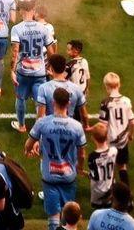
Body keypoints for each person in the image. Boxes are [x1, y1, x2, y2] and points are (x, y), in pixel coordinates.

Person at [25, 88, 87, 230]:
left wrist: (29, 150)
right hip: (69, 176)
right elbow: (82, 154)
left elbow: (29, 144)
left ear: (53, 102)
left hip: (50, 176)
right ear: (69, 103)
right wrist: (80, 167)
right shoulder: (77, 127)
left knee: (53, 218)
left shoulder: (42, 123)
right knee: (69, 217)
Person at [9, 3, 57, 133]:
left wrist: (12, 71)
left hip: (23, 72)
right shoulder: (43, 28)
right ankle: (40, 131)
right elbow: (52, 51)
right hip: (40, 73)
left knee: (20, 98)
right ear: (33, 10)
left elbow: (15, 52)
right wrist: (52, 68)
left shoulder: (17, 29)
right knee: (40, 102)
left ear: (22, 11)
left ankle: (22, 126)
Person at [97, 73, 134, 190]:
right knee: (122, 166)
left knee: (110, 167)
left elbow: (103, 125)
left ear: (106, 87)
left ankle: (109, 192)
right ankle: (127, 195)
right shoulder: (127, 101)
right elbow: (132, 122)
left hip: (110, 141)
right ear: (119, 85)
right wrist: (130, 135)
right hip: (123, 141)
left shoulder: (105, 103)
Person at [35, 55, 88, 125]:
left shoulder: (44, 88)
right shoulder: (76, 88)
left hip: (51, 128)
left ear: (51, 68)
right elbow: (84, 115)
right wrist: (86, 126)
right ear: (64, 68)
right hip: (70, 128)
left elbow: (40, 116)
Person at [87, 122, 117, 209]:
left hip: (98, 192)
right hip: (110, 189)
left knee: (98, 212)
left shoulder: (92, 157)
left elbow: (94, 176)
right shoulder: (114, 151)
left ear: (93, 138)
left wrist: (85, 173)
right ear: (107, 137)